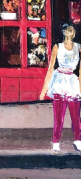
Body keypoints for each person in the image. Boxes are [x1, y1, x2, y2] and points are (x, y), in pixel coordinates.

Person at [39, 23, 81, 153]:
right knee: (59, 115)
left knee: (76, 116)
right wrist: (44, 90)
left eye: (71, 31)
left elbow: (80, 71)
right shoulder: (57, 47)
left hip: (72, 82)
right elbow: (50, 68)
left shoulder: (79, 47)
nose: (70, 34)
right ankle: (56, 141)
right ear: (64, 33)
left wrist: (80, 87)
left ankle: (78, 140)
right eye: (68, 31)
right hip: (60, 82)